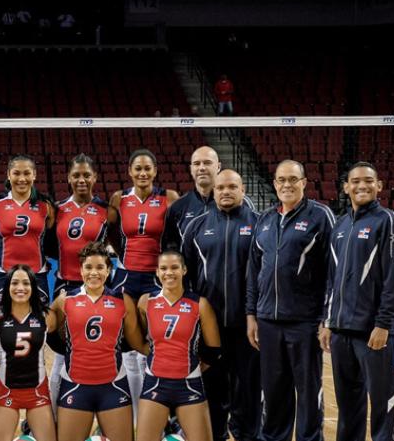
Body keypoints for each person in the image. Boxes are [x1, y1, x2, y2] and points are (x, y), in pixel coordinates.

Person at [247, 159, 334, 441]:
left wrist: (327, 318)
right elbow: (253, 273)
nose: (286, 185)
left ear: (304, 183)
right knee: (273, 390)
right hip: (268, 322)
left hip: (305, 322)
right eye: (281, 180)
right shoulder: (264, 220)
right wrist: (251, 314)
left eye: (292, 180)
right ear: (274, 184)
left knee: (309, 390)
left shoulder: (321, 216)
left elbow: (333, 271)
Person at [319, 162, 394, 441]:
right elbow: (332, 280)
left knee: (382, 402)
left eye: (368, 180)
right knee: (349, 406)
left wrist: (383, 324)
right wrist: (328, 321)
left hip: (372, 333)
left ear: (379, 185)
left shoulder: (388, 220)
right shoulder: (340, 225)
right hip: (341, 330)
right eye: (355, 181)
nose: (361, 186)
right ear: (346, 187)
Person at [181, 170, 260, 441]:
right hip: (209, 328)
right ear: (212, 191)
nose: (226, 192)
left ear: (243, 189)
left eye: (232, 187)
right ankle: (215, 435)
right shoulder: (196, 227)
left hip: (247, 326)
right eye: (220, 187)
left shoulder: (260, 224)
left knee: (248, 389)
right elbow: (185, 277)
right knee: (213, 390)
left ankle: (247, 434)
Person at [109, 148, 179, 417]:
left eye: (147, 168)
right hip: (126, 274)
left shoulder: (168, 198)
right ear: (129, 171)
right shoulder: (119, 198)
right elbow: (114, 234)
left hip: (155, 278)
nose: (142, 173)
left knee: (155, 346)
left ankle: (162, 414)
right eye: (137, 168)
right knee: (128, 347)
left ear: (155, 171)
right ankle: (138, 417)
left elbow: (175, 235)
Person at [51, 242, 144, 441]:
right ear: (81, 269)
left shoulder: (122, 300)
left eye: (100, 267)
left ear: (109, 270)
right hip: (75, 385)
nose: (94, 273)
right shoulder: (65, 300)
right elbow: (51, 337)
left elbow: (136, 342)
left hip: (114, 386)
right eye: (89, 267)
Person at [134, 250, 221, 441]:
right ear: (157, 272)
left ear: (184, 270)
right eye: (163, 268)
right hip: (155, 383)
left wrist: (192, 367)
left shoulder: (200, 304)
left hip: (189, 384)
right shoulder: (145, 302)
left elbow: (214, 350)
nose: (169, 273)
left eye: (174, 267)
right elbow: (143, 340)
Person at [48, 153, 110, 408]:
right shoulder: (57, 209)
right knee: (62, 355)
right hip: (66, 286)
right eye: (76, 175)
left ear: (95, 177)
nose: (81, 180)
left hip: (97, 288)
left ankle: (100, 409)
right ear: (68, 178)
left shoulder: (106, 211)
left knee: (95, 352)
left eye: (86, 175)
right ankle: (51, 414)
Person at [0, 265, 57, 441]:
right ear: (7, 287)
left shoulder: (47, 317)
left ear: (33, 287)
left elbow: (61, 347)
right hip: (7, 391)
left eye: (26, 283)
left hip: (37, 391)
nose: (20, 288)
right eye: (15, 283)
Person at [0, 155, 55, 308]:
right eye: (16, 173)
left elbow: (49, 234)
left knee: (40, 324)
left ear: (34, 175)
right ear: (8, 175)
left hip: (37, 272)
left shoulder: (46, 206)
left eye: (27, 173)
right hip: (3, 272)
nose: (22, 178)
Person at [163, 146, 252, 252]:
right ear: (191, 169)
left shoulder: (241, 202)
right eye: (196, 164)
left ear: (218, 167)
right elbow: (169, 247)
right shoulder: (178, 207)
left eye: (207, 163)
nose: (202, 168)